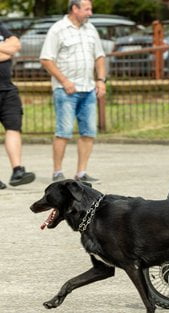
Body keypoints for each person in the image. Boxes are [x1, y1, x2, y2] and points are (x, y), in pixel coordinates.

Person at [40, 0, 106, 182]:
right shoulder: (58, 29)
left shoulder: (91, 29)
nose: (90, 13)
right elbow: (46, 59)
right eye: (87, 9)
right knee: (64, 131)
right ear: (74, 9)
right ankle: (57, 172)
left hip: (88, 89)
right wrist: (64, 81)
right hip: (65, 90)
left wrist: (100, 80)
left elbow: (100, 56)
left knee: (89, 132)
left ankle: (81, 173)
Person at [0, 22, 35, 189]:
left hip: (7, 88)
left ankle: (17, 171)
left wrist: (8, 49)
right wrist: (6, 49)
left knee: (13, 127)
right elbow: (10, 49)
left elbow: (16, 45)